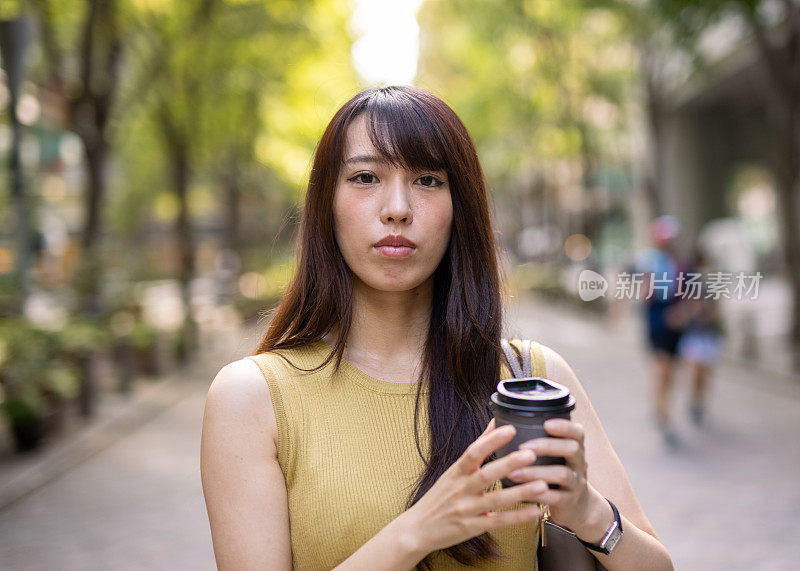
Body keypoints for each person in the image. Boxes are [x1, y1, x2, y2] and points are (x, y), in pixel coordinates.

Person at [200, 86, 673, 570]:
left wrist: (586, 510)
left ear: (458, 208)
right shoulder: (253, 399)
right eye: (365, 177)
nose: (398, 208)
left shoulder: (529, 379)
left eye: (427, 180)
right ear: (327, 205)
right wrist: (417, 532)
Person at [635, 216, 689, 449]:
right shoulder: (647, 261)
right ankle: (662, 412)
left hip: (676, 321)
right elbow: (639, 290)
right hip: (656, 319)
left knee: (670, 371)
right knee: (662, 366)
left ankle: (662, 407)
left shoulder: (681, 263)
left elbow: (690, 292)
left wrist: (682, 314)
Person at [673, 249, 725, 426]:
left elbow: (716, 311)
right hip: (694, 335)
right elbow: (686, 308)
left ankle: (699, 401)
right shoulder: (689, 284)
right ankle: (694, 402)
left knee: (705, 374)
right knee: (696, 372)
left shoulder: (713, 285)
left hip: (708, 336)